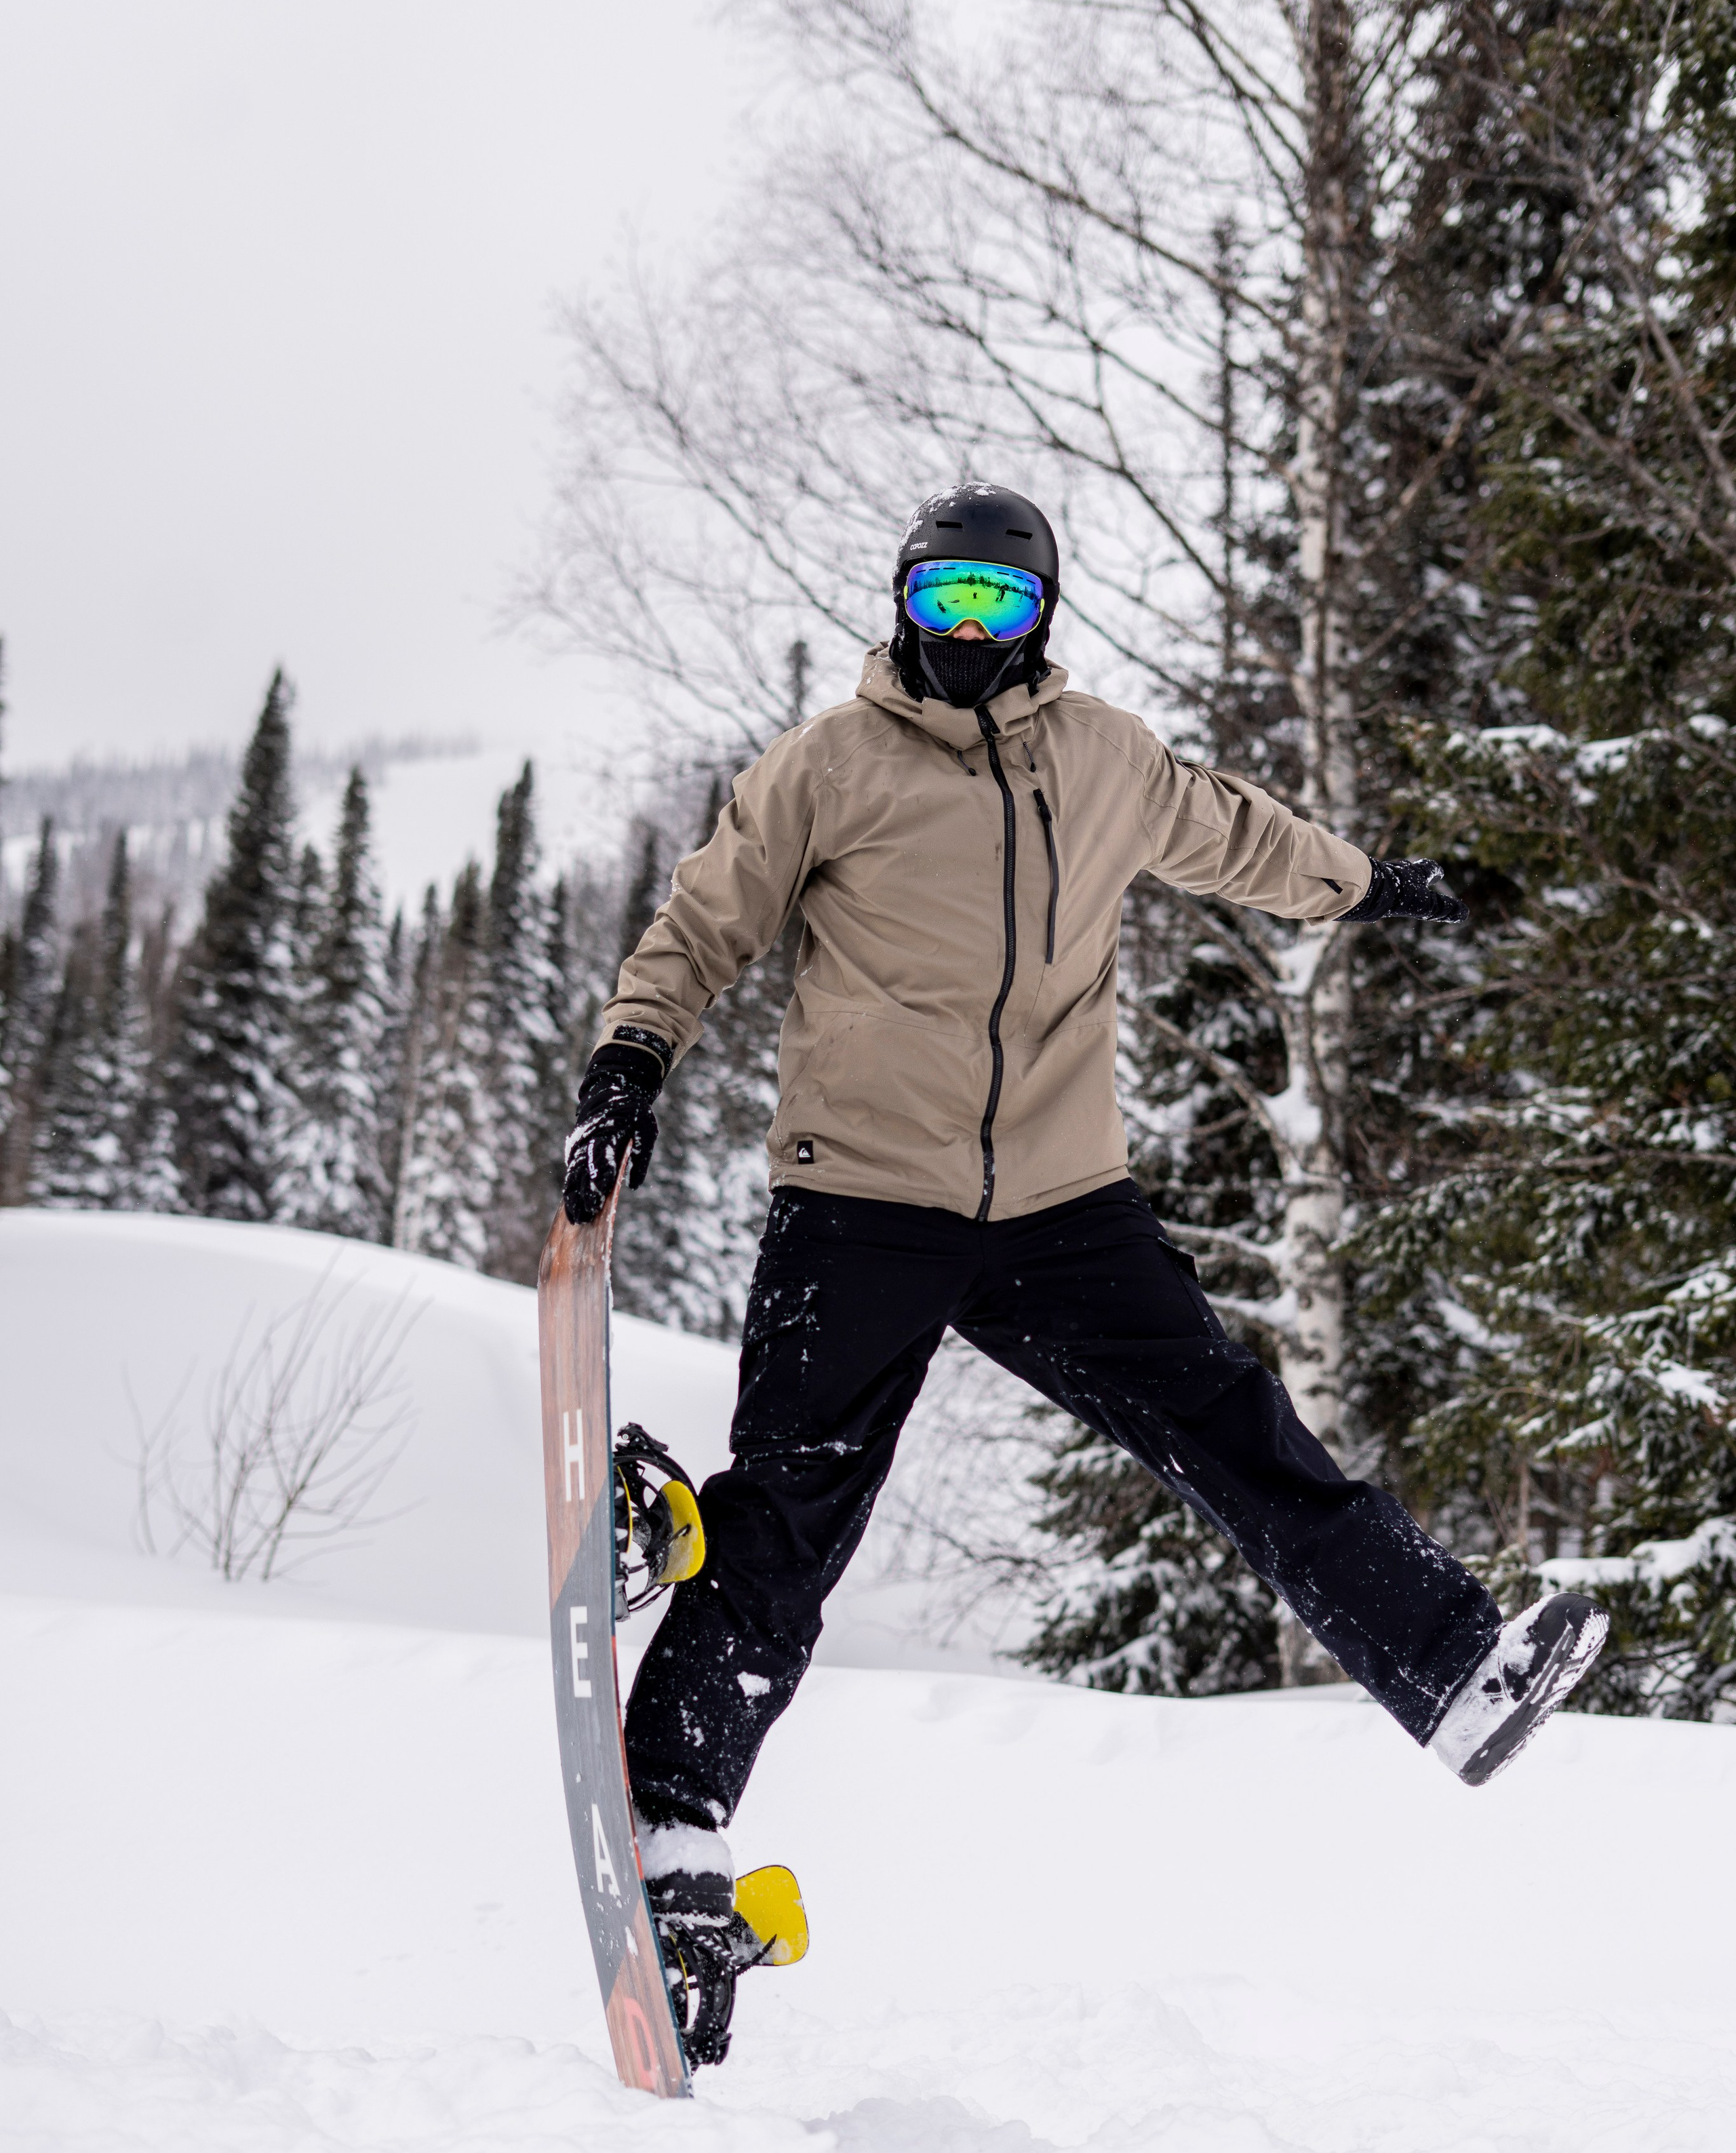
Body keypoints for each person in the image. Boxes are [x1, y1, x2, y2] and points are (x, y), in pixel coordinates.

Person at [563, 483, 1606, 2063]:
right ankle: (675, 1833)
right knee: (788, 1515)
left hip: (1060, 1201)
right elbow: (701, 927)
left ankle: (1453, 1669)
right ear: (900, 602)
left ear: (1041, 617)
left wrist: (1370, 884)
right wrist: (628, 1067)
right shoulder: (825, 769)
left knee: (1236, 1426)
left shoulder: (1105, 758)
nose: (965, 634)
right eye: (940, 601)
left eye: (996, 606)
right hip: (861, 1198)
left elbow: (1239, 835)